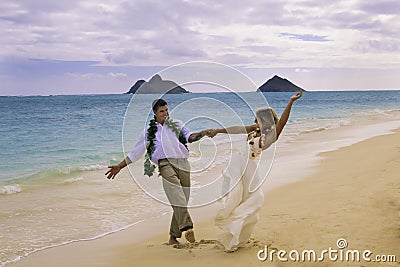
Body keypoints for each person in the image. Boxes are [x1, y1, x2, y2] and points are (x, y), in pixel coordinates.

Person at [207, 90, 302, 251]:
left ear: (265, 121)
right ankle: (234, 235)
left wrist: (291, 101)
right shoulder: (254, 130)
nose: (254, 121)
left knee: (248, 203)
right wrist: (218, 130)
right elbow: (237, 128)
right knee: (236, 200)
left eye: (257, 119)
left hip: (249, 172)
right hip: (239, 168)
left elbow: (282, 123)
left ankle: (236, 236)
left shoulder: (270, 136)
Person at [106, 98, 209, 245]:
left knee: (182, 200)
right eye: (162, 111)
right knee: (176, 193)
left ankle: (173, 237)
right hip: (165, 164)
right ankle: (188, 228)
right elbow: (135, 153)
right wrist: (120, 166)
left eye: (167, 110)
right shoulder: (148, 132)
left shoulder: (177, 124)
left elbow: (189, 137)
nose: (165, 113)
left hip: (183, 163)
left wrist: (202, 133)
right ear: (155, 112)